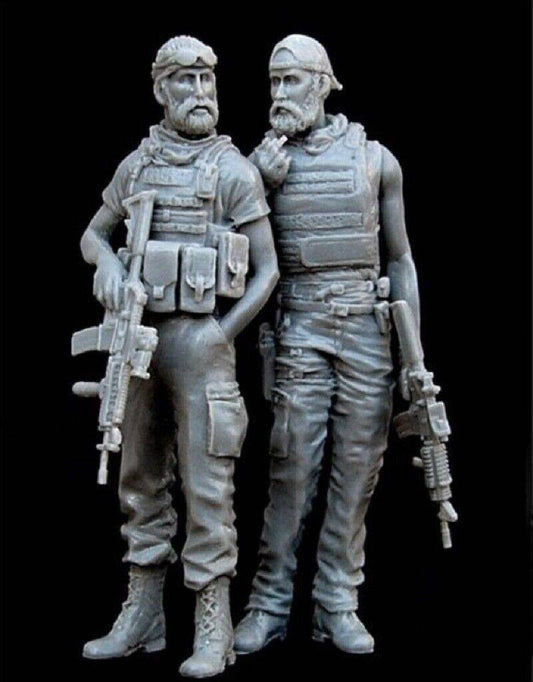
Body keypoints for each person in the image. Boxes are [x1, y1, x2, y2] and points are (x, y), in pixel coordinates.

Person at [79, 35, 278, 678]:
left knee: (208, 486)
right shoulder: (137, 166)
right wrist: (109, 267)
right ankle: (144, 612)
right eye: (186, 81)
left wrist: (221, 334)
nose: (200, 94)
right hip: (140, 341)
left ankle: (213, 620)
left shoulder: (233, 171)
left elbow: (267, 270)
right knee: (138, 476)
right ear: (160, 89)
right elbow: (93, 234)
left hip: (202, 346)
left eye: (207, 81)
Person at [234, 34, 420, 655]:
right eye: (273, 81)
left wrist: (414, 358)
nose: (279, 93)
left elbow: (400, 259)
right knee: (291, 467)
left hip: (366, 330)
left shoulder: (375, 160)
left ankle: (338, 600)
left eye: (291, 80)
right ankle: (268, 602)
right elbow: (230, 252)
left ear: (322, 83)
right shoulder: (260, 164)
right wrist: (258, 183)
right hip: (300, 328)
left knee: (358, 469)